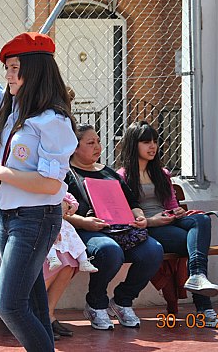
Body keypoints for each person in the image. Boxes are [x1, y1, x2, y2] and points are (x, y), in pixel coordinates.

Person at [0, 31, 78, 352]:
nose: (8, 75)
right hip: (7, 219)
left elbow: (51, 184)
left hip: (35, 218)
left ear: (35, 70)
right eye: (6, 68)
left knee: (9, 305)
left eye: (14, 68)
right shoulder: (8, 106)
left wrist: (2, 173)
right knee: (34, 306)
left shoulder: (53, 121)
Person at [117, 120, 218, 326]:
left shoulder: (162, 173)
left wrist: (177, 210)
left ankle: (198, 275)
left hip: (169, 221)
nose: (152, 146)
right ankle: (204, 308)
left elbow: (171, 203)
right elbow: (124, 215)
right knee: (193, 244)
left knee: (201, 219)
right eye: (146, 142)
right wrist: (152, 221)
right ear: (132, 144)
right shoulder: (122, 176)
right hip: (148, 228)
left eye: (155, 141)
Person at [65, 124, 164, 330]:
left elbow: (132, 203)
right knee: (109, 251)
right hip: (85, 230)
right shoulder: (66, 173)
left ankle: (122, 300)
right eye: (90, 143)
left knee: (153, 251)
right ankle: (96, 303)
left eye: (99, 141)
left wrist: (139, 217)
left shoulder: (108, 172)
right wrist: (84, 222)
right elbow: (60, 211)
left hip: (121, 229)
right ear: (74, 147)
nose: (97, 147)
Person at [44, 193, 96, 341]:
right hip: (32, 226)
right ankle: (36, 316)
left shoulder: (61, 184)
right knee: (49, 264)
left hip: (59, 228)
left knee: (69, 263)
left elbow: (71, 202)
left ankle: (48, 313)